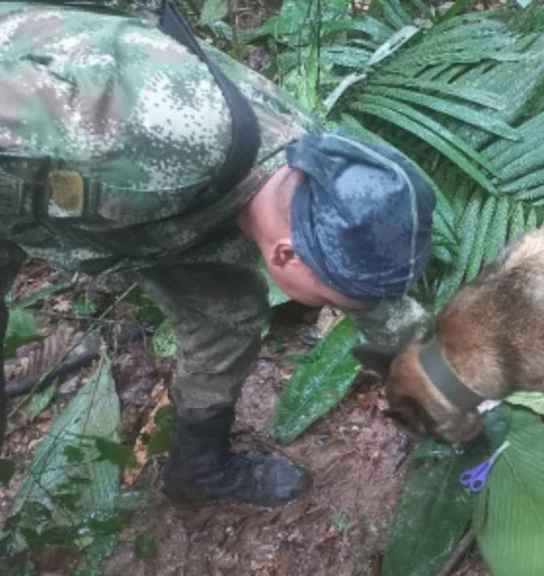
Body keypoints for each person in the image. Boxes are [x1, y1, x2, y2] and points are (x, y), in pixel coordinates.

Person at [0, 1, 435, 507]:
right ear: (287, 257)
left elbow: (368, 291)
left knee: (224, 319)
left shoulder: (316, 175)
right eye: (331, 303)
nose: (339, 307)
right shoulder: (140, 129)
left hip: (156, 211)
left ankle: (197, 469)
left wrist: (438, 378)